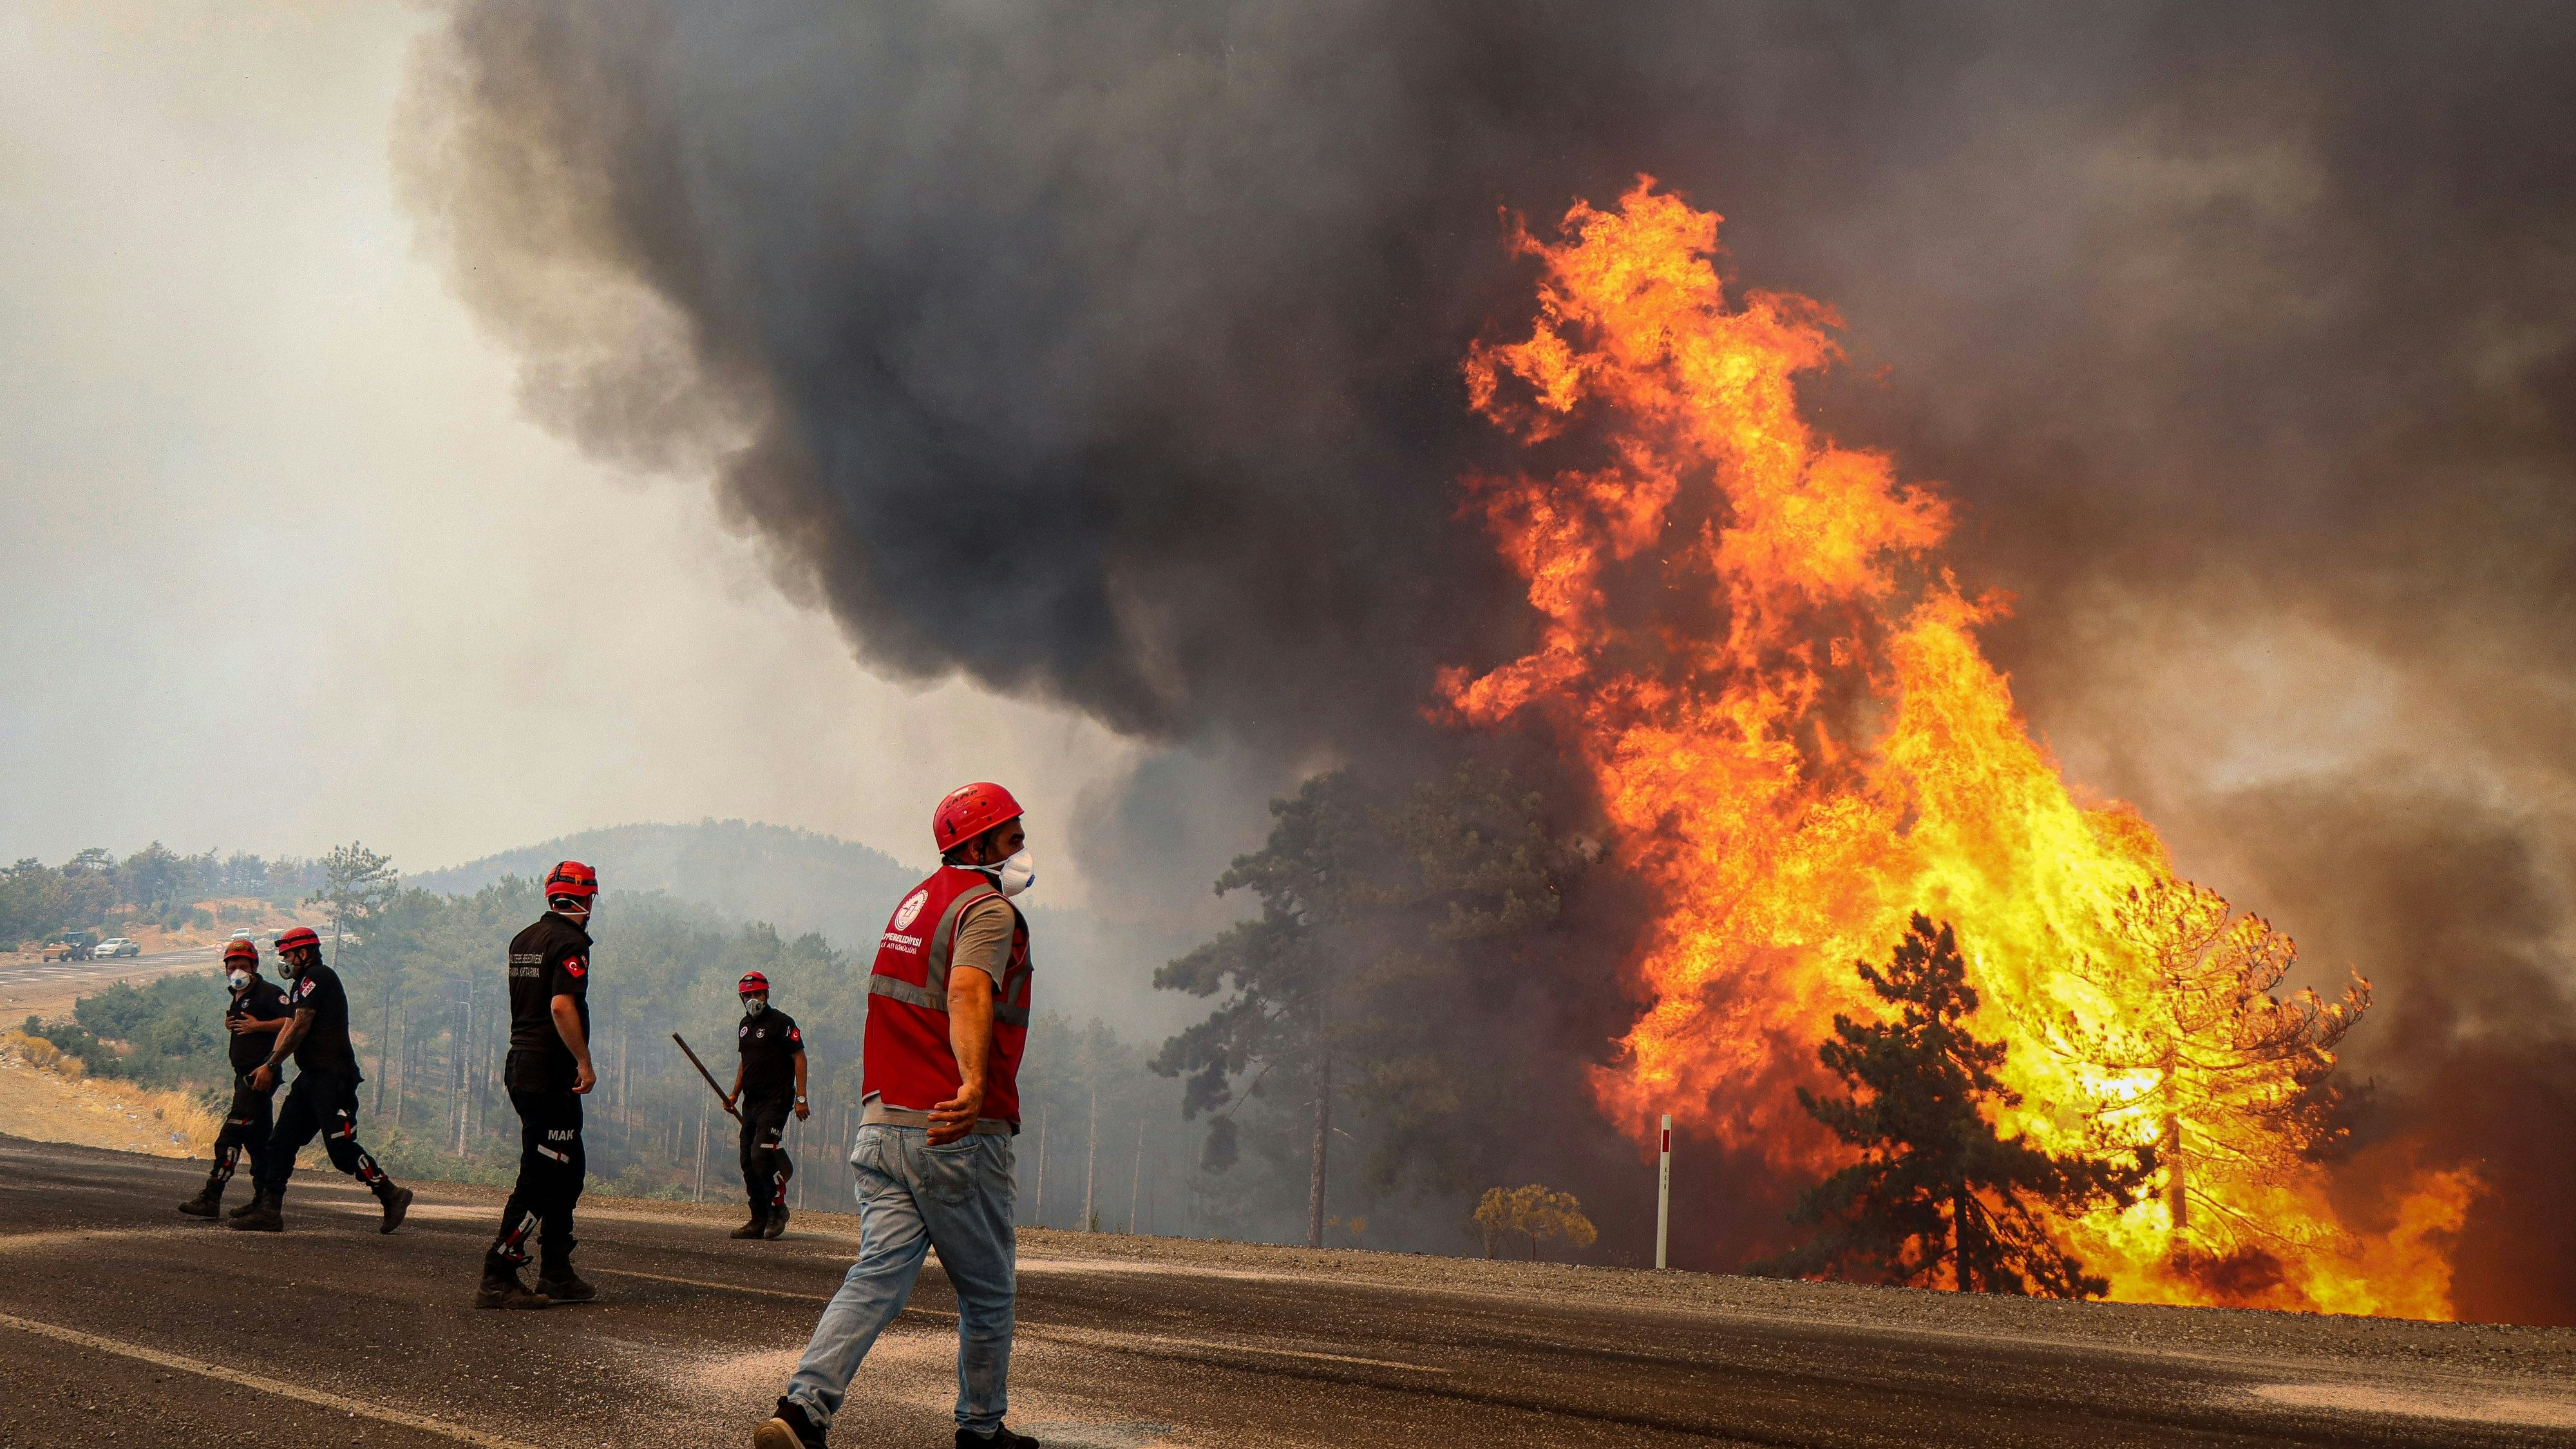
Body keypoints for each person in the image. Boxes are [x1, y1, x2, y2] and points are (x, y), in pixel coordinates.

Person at [756, 782, 1040, 1449]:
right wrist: (972, 1083)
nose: (1023, 849)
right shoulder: (987, 908)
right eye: (1012, 837)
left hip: (882, 1125)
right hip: (951, 1130)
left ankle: (802, 1412)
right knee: (989, 1292)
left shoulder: (916, 905)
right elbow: (969, 989)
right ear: (976, 845)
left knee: (876, 1276)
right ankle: (980, 1429)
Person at [231, 926, 413, 1234]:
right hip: (311, 1079)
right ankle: (268, 1209)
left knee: (341, 1151)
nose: (285, 960)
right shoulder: (302, 983)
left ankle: (391, 1194)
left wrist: (272, 1064)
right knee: (280, 1142)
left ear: (304, 954)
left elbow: (300, 1027)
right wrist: (270, 1063)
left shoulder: (318, 977)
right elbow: (290, 1025)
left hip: (334, 1079)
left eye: (288, 954)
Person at [476, 860, 600, 1310]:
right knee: (544, 1174)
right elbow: (561, 1006)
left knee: (568, 1169)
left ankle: (557, 1271)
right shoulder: (570, 942)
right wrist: (584, 1061)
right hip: (550, 1070)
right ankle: (499, 1273)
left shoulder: (525, 938)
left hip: (523, 1065)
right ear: (586, 899)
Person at [176, 938, 290, 1219]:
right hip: (243, 1077)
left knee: (231, 1134)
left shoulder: (270, 993)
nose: (237, 971)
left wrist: (259, 1026)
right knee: (258, 1141)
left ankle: (212, 1196)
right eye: (232, 966)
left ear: (255, 967)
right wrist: (233, 1023)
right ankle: (262, 1201)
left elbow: (293, 1021)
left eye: (243, 966)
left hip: (260, 1075)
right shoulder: (239, 995)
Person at [728, 970, 811, 1240]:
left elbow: (799, 1058)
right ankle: (758, 1218)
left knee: (762, 1155)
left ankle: (778, 1211)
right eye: (748, 995)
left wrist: (801, 1097)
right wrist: (734, 1094)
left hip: (777, 1101)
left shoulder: (782, 1023)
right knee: (747, 1160)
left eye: (758, 994)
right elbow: (745, 1063)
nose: (753, 1000)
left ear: (767, 994)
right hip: (751, 1102)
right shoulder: (744, 1026)